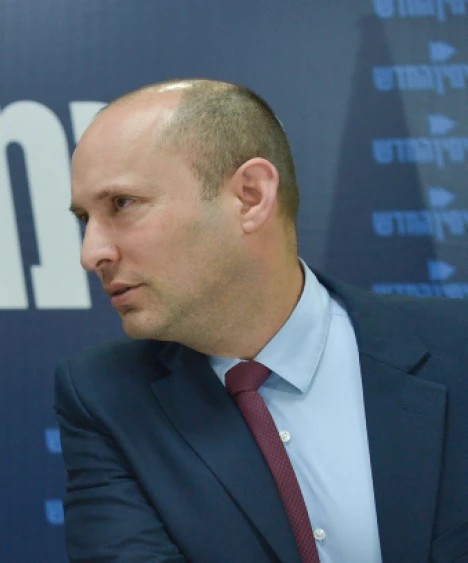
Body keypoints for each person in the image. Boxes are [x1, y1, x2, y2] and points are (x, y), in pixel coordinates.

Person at [57, 79, 468, 563]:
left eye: (122, 205)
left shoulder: (455, 348)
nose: (91, 254)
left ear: (250, 196)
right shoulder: (105, 397)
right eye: (85, 218)